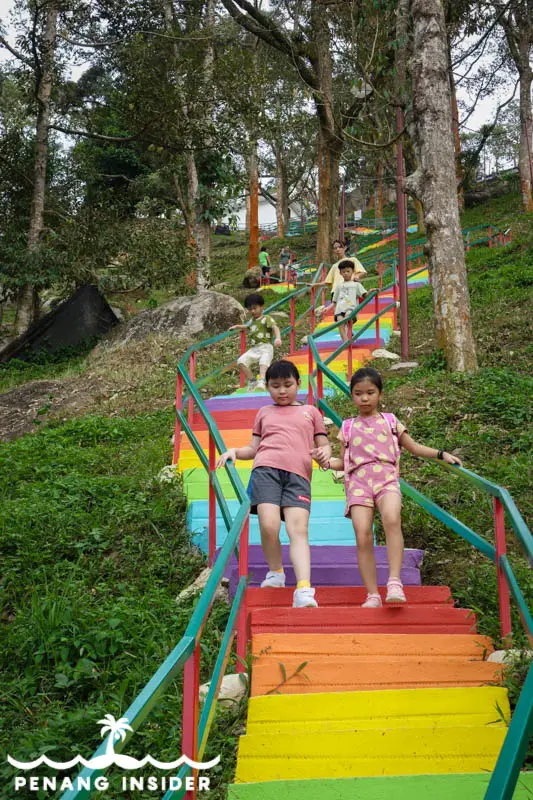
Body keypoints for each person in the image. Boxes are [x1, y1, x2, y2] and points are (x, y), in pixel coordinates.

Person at [325, 367, 462, 608]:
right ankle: (372, 594)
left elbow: (414, 447)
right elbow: (342, 462)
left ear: (380, 394)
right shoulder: (346, 427)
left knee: (391, 519)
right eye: (358, 393)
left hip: (386, 479)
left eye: (370, 392)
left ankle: (394, 582)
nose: (364, 398)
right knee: (362, 534)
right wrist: (323, 462)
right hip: (358, 483)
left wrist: (441, 454)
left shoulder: (390, 421)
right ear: (352, 396)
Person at [216, 360, 331, 608]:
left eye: (288, 385)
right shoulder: (264, 413)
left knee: (297, 531)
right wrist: (234, 451)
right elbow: (253, 448)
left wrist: (324, 453)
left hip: (298, 476)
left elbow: (324, 444)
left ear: (299, 384)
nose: (282, 391)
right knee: (268, 527)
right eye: (275, 386)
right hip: (265, 471)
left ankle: (303, 589)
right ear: (267, 387)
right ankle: (276, 573)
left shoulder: (311, 412)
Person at [230, 293, 281, 392]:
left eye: (255, 308)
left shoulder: (266, 318)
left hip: (266, 347)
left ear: (261, 307)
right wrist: (236, 326)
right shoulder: (252, 320)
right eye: (250, 309)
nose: (252, 311)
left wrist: (278, 338)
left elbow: (275, 327)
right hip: (255, 348)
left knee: (263, 362)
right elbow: (246, 326)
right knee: (241, 361)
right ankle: (252, 381)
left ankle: (262, 381)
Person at [333, 260, 368, 342]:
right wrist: (329, 309)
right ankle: (345, 341)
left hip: (351, 309)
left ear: (353, 272)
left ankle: (349, 332)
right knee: (340, 322)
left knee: (348, 316)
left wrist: (370, 291)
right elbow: (335, 300)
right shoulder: (339, 286)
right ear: (340, 273)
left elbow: (365, 295)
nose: (345, 273)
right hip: (339, 309)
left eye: (348, 271)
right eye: (343, 272)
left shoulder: (356, 285)